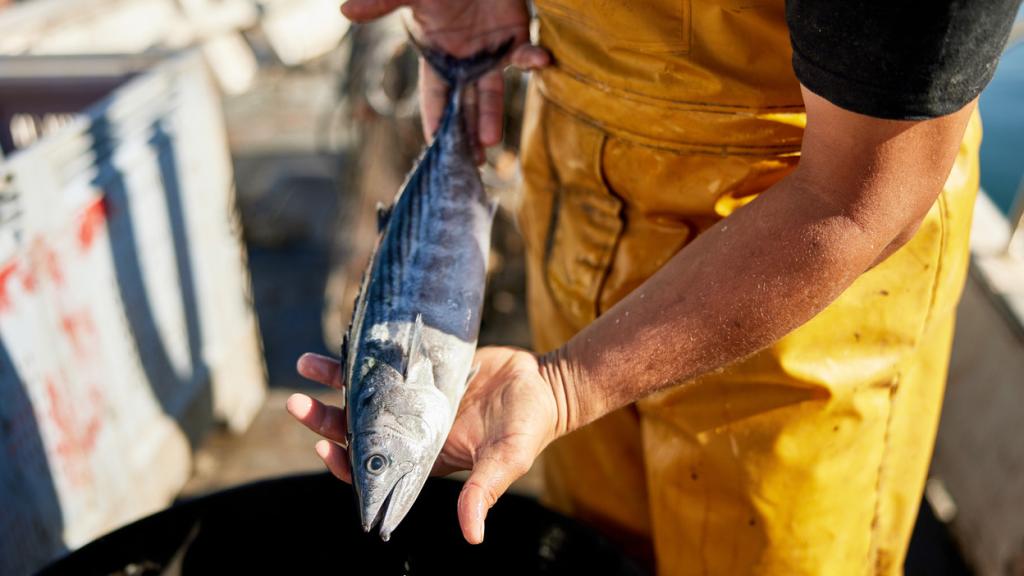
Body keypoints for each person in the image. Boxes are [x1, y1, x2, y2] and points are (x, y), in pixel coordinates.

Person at [287, 0, 1023, 573]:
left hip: (798, 284)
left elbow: (862, 197)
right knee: (599, 551)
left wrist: (571, 385)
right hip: (578, 201)